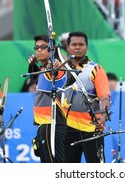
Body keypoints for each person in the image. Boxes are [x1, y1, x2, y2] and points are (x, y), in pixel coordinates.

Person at [62, 31, 110, 163]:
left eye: (81, 44)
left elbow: (104, 97)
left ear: (86, 47)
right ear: (67, 47)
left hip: (92, 128)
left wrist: (104, 116)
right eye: (74, 44)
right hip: (66, 128)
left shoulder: (96, 69)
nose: (77, 47)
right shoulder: (60, 70)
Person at [29, 34, 67, 163]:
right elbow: (36, 78)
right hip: (43, 123)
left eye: (43, 47)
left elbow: (56, 72)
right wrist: (33, 64)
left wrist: (55, 64)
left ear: (52, 49)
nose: (39, 50)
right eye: (37, 47)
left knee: (54, 163)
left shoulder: (54, 66)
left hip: (52, 122)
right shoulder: (42, 69)